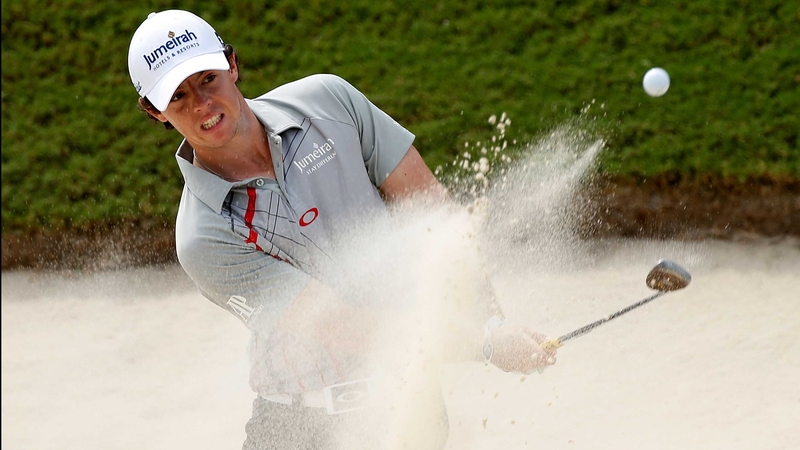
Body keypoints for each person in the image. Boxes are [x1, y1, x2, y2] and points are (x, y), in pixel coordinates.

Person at [128, 9, 556, 449]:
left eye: (207, 79)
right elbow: (342, 324)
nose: (202, 105)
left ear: (231, 64)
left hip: (410, 406)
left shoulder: (328, 103)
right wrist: (482, 341)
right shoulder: (203, 236)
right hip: (302, 429)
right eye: (177, 96)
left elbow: (434, 217)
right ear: (153, 110)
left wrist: (493, 320)